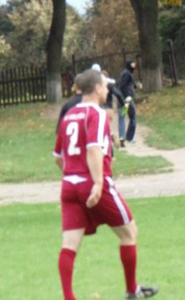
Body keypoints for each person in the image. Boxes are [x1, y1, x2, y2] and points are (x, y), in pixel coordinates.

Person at [53, 69, 158, 300]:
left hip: (69, 185)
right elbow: (93, 149)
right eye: (106, 85)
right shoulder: (97, 113)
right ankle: (132, 290)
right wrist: (98, 183)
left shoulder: (69, 115)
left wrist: (73, 174)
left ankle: (69, 297)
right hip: (92, 183)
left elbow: (58, 156)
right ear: (97, 88)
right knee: (129, 233)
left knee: (69, 245)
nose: (109, 89)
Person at [118, 61, 138, 147]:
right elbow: (122, 86)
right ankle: (129, 137)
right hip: (127, 100)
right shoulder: (127, 74)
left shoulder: (126, 73)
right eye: (132, 65)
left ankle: (123, 137)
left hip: (125, 100)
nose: (134, 67)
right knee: (132, 116)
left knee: (123, 116)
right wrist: (127, 96)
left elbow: (128, 85)